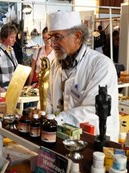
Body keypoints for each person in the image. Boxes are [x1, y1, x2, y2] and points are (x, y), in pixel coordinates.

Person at [46, 11, 119, 142]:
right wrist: (45, 117)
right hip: (62, 137)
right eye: (50, 38)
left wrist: (56, 120)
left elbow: (93, 111)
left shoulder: (101, 65)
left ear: (77, 36)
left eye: (57, 37)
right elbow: (50, 100)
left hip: (94, 140)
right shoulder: (55, 64)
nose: (52, 44)